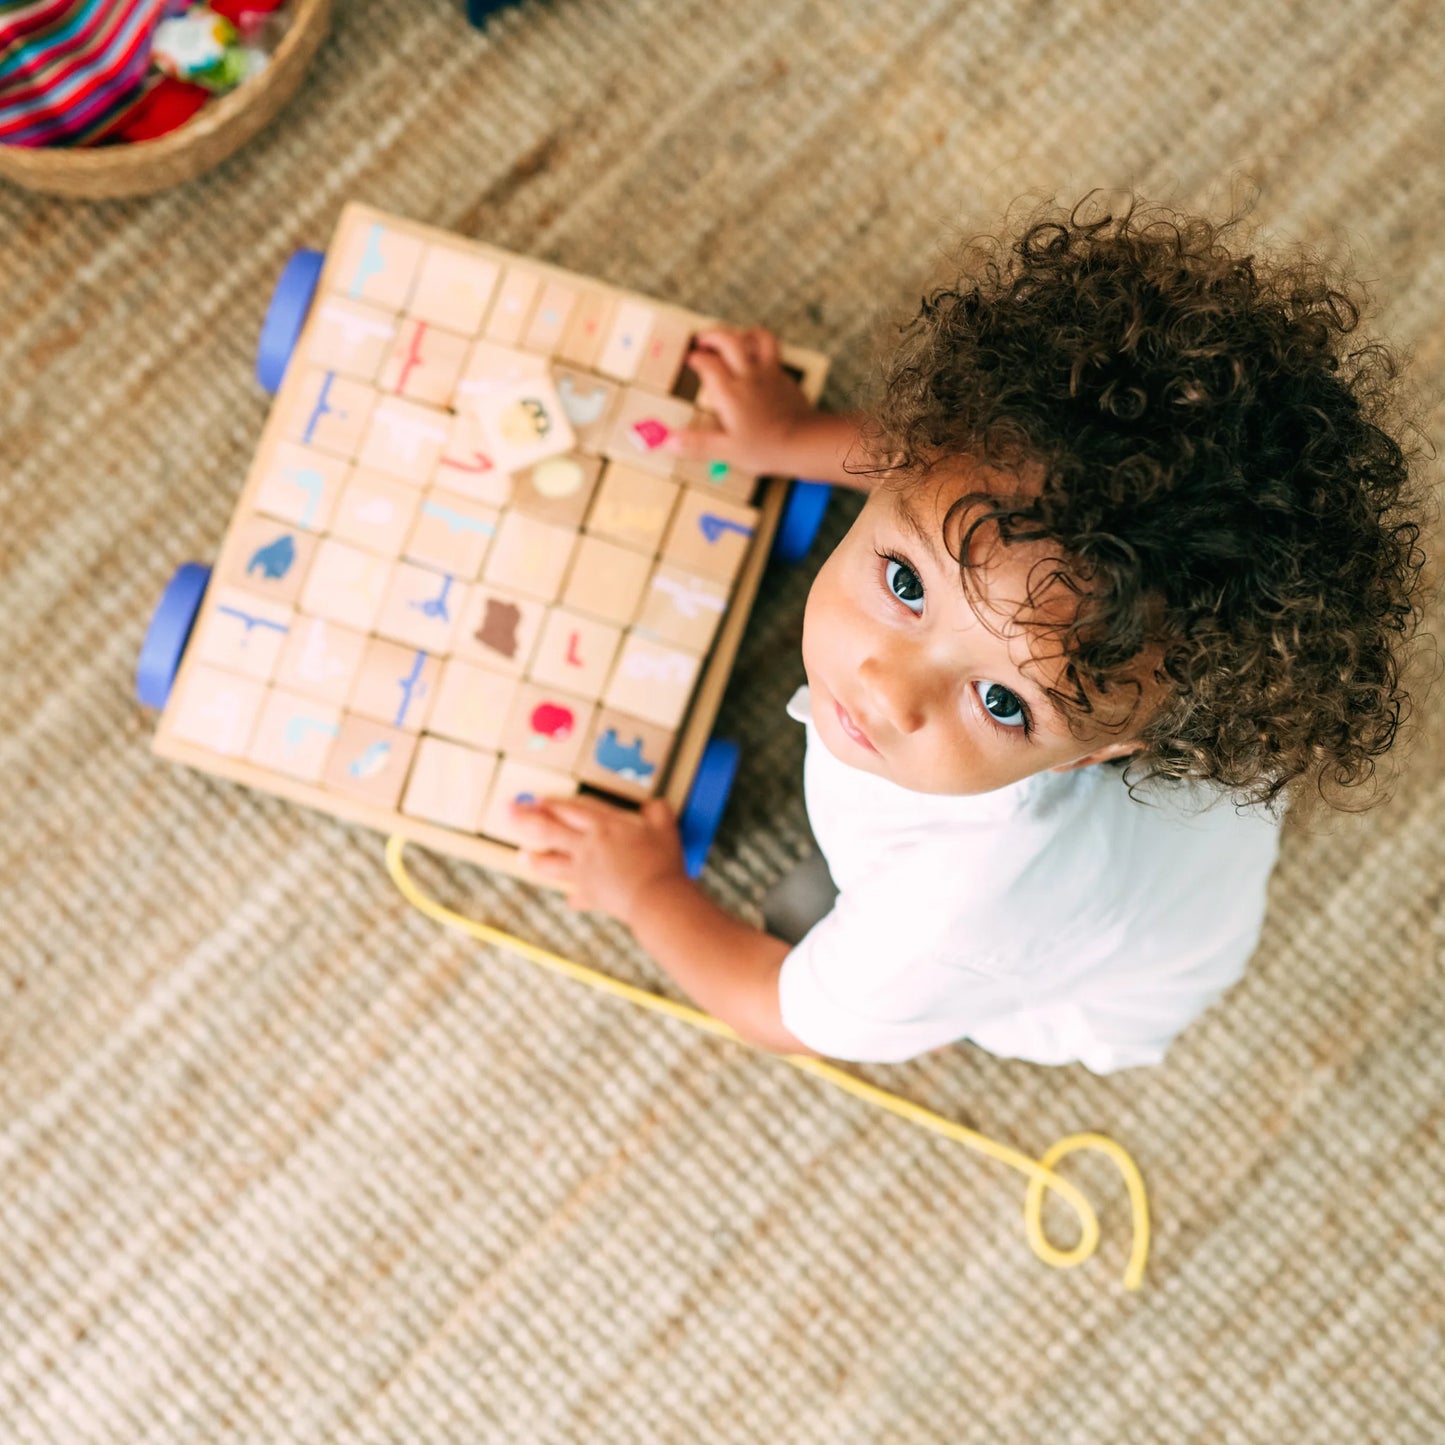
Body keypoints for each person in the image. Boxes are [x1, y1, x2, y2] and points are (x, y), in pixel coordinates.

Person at [508, 196, 1427, 1072]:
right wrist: (788, 436)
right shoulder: (1040, 560)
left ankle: (936, 1010)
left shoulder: (951, 912)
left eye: (1001, 701)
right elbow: (930, 465)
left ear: (1095, 752)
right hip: (1173, 853)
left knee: (799, 911)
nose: (888, 690)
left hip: (1076, 978)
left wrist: (646, 889)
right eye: (906, 583)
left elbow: (778, 1013)